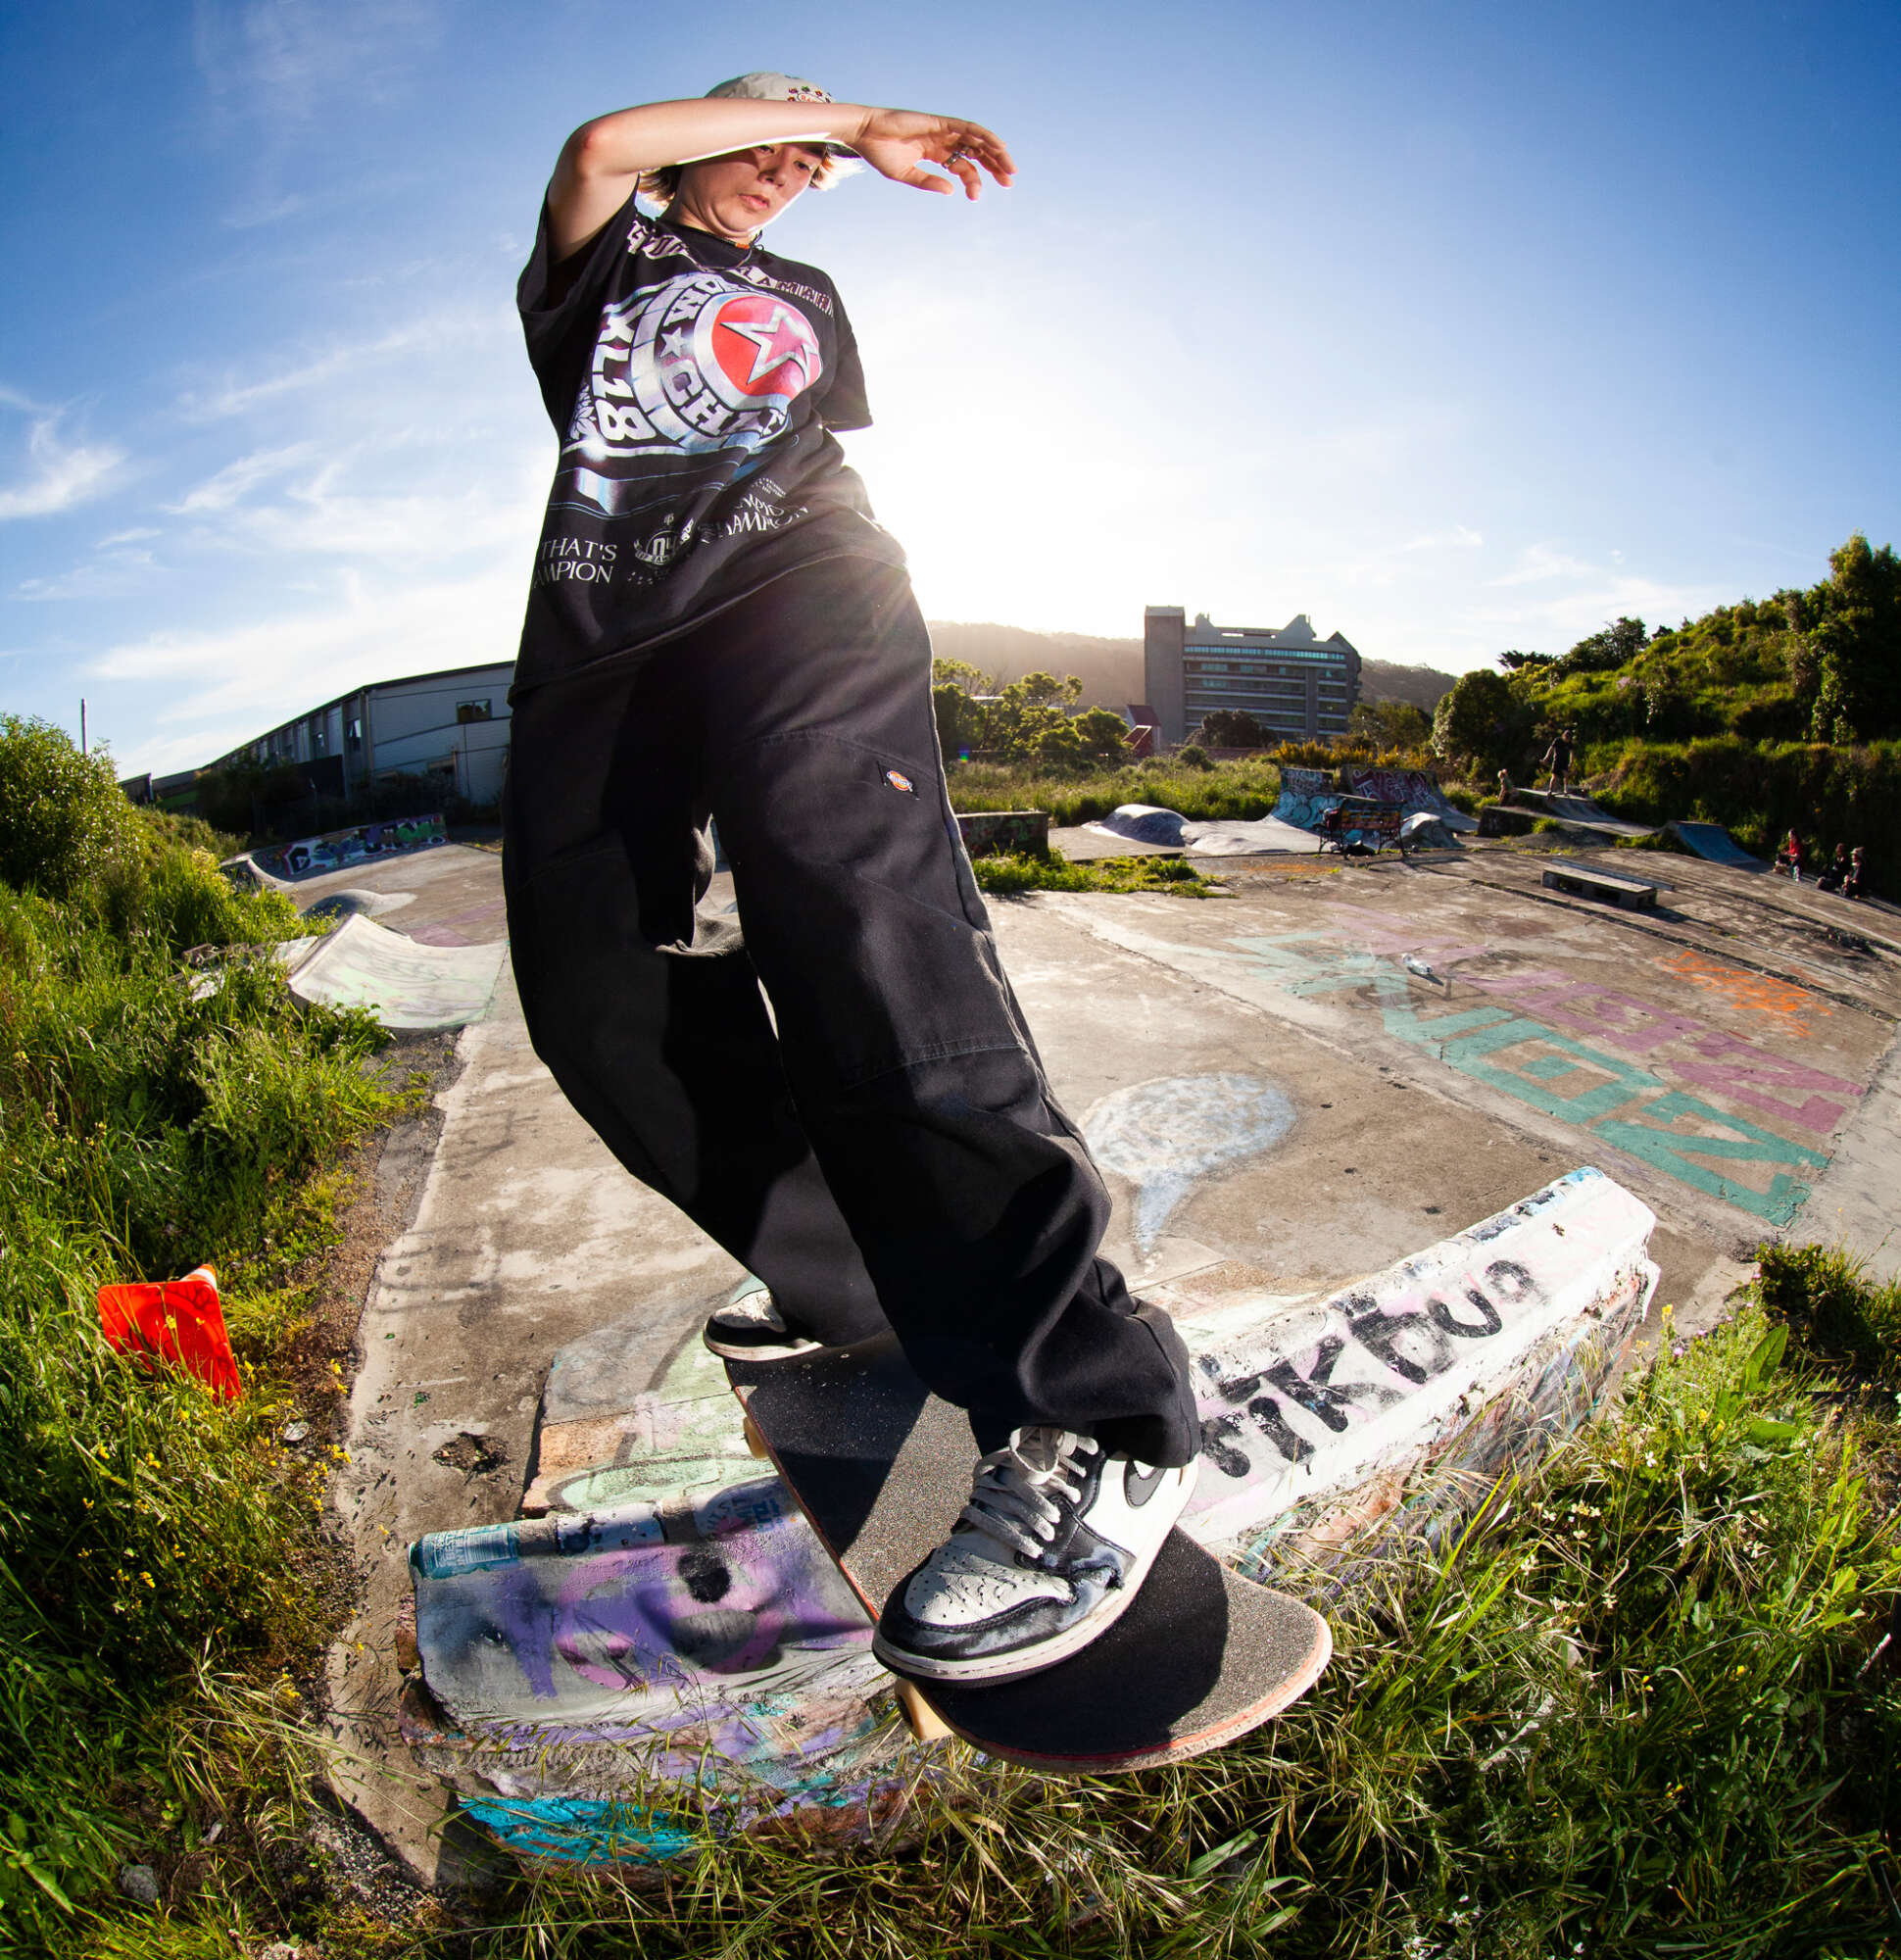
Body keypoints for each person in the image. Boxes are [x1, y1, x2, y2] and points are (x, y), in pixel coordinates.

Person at [502, 74, 1199, 1687]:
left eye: (813, 168)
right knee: (599, 1009)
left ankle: (1093, 1409)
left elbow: (790, 431)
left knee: (859, 924)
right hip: (611, 646)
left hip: (808, 588)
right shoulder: (612, 253)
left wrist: (822, 149)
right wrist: (854, 111)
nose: (790, 179)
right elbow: (598, 148)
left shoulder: (800, 292)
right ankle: (859, 1277)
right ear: (706, 128)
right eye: (767, 142)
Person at [1540, 726, 1574, 795]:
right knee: (1554, 776)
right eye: (1566, 738)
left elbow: (1572, 753)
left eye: (1569, 739)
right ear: (1564, 736)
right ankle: (1550, 790)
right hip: (1557, 761)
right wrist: (1546, 757)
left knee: (1566, 775)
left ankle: (1565, 790)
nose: (1567, 740)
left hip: (1565, 762)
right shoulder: (1558, 740)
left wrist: (1571, 763)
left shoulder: (1570, 743)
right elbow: (1551, 749)